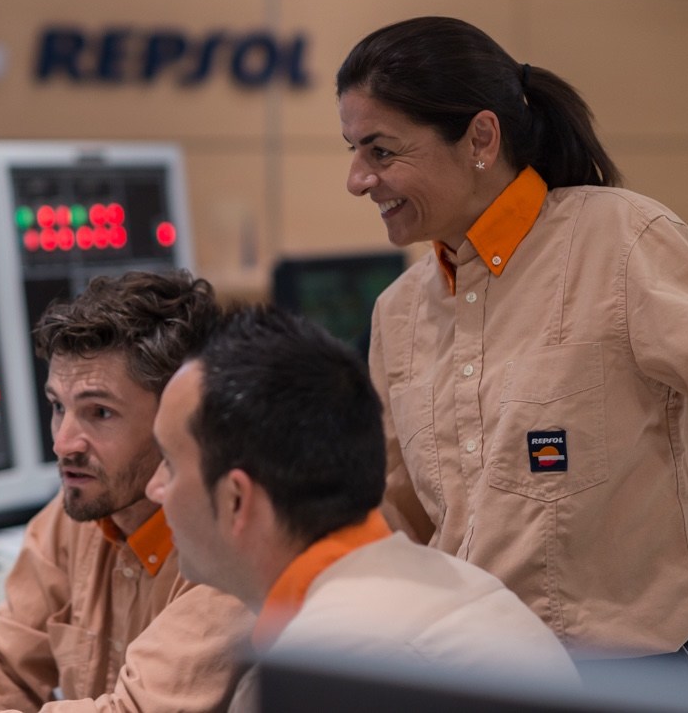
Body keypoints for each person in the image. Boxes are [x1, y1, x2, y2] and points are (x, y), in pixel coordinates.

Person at [336, 17, 688, 672]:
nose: (356, 179)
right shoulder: (399, 312)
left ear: (480, 139)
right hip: (464, 671)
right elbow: (399, 511)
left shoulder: (620, 241)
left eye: (380, 151)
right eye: (351, 150)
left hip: (620, 678)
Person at [145, 305, 579, 712]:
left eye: (168, 462)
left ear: (236, 499)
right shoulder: (471, 591)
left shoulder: (322, 672)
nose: (154, 489)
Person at [0, 270, 253, 713]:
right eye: (59, 407)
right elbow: (1, 662)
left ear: (179, 418)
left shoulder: (228, 546)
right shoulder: (77, 513)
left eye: (100, 412)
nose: (63, 444)